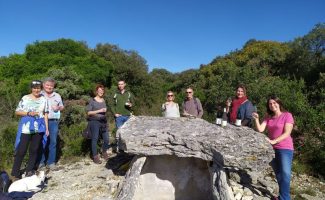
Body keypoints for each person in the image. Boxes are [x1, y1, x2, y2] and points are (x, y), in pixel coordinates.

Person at [252, 95, 294, 200]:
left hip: (285, 148)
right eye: (270, 103)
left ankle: (285, 198)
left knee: (285, 173)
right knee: (279, 174)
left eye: (274, 103)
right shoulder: (268, 116)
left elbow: (287, 133)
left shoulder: (287, 115)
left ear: (279, 103)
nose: (272, 105)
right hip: (272, 149)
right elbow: (261, 129)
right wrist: (256, 119)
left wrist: (274, 141)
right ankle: (281, 197)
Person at [11, 80, 49, 180]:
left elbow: (45, 114)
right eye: (34, 88)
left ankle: (29, 170)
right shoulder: (25, 98)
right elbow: (17, 112)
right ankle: (15, 173)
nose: (36, 90)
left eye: (38, 88)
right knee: (21, 150)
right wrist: (28, 113)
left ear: (41, 89)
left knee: (34, 150)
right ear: (31, 88)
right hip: (26, 128)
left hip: (39, 128)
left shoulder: (44, 99)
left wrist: (47, 128)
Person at [39, 77, 64, 169]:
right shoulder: (39, 94)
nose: (49, 87)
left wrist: (58, 108)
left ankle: (51, 162)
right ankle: (41, 162)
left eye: (51, 86)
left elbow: (62, 107)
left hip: (53, 121)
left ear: (53, 87)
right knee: (42, 141)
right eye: (47, 85)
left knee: (53, 142)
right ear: (43, 85)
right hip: (41, 121)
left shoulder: (57, 96)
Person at [86, 84, 110, 164]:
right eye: (99, 90)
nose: (101, 92)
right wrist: (99, 111)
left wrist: (104, 111)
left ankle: (104, 152)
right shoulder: (92, 101)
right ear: (96, 91)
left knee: (106, 139)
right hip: (94, 121)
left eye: (102, 90)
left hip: (103, 121)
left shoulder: (104, 100)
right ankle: (95, 156)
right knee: (95, 139)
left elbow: (104, 110)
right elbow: (89, 112)